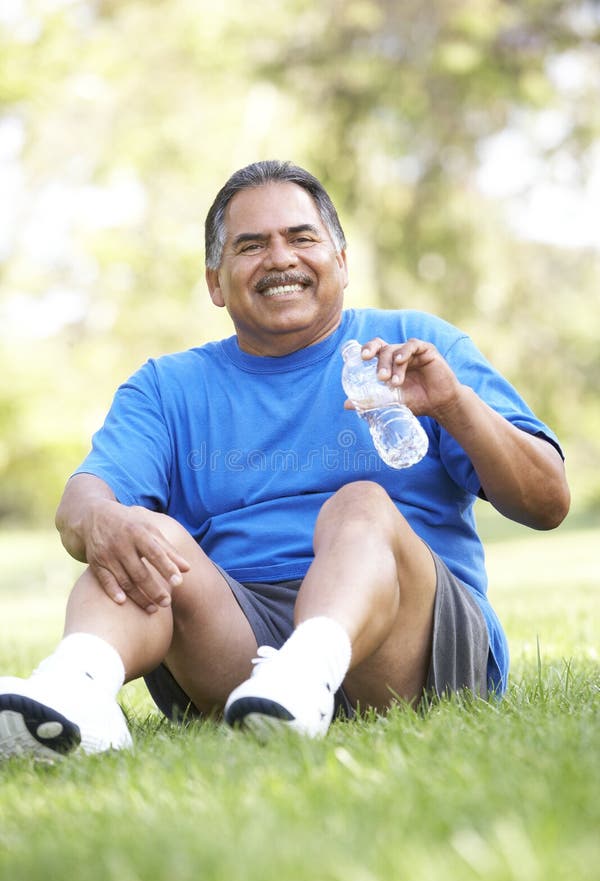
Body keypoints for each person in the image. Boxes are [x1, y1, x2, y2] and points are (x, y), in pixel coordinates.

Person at [0, 160, 570, 761]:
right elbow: (81, 504)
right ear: (215, 283)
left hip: (409, 640)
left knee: (361, 504)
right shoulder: (167, 387)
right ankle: (76, 694)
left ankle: (308, 668)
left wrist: (454, 405)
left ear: (341, 262)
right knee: (135, 534)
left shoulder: (417, 345)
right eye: (251, 246)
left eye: (301, 238)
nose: (280, 259)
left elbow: (547, 502)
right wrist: (107, 521)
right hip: (242, 647)